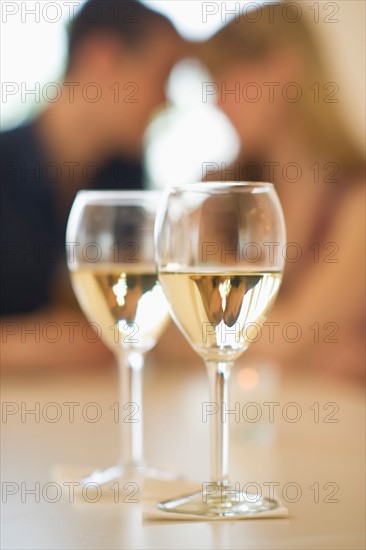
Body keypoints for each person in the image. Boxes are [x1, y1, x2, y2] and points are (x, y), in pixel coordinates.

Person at [1, 0, 185, 370]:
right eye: (162, 76)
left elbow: (124, 320)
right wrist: (39, 345)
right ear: (103, 57)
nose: (167, 100)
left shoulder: (124, 178)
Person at [193, 1, 365, 380]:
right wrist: (318, 352)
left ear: (282, 67)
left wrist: (288, 346)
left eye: (227, 79)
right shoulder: (219, 196)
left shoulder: (357, 199)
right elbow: (185, 329)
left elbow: (283, 339)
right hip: (236, 419)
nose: (217, 100)